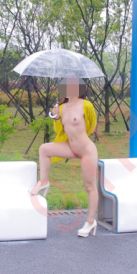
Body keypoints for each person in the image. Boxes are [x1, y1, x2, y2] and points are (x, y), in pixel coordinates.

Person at [29, 77, 99, 237]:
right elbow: (59, 130)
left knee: (89, 186)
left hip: (87, 150)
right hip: (70, 147)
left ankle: (90, 221)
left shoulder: (86, 105)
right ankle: (44, 182)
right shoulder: (61, 107)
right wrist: (56, 117)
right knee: (44, 149)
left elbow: (91, 125)